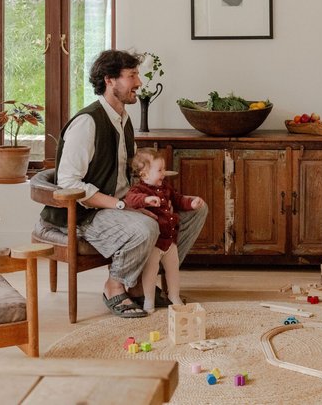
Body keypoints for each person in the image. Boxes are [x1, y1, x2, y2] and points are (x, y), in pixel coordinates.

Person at [39, 49, 209, 318]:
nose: (139, 83)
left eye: (137, 75)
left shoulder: (123, 120)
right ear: (109, 80)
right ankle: (114, 284)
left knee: (195, 211)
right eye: (132, 76)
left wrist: (147, 190)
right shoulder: (87, 123)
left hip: (122, 203)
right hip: (85, 213)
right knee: (146, 226)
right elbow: (69, 183)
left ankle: (143, 281)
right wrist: (120, 205)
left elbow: (128, 172)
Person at [124, 148, 205, 313]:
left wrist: (191, 203)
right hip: (155, 242)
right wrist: (146, 200)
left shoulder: (166, 188)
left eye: (164, 169)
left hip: (170, 240)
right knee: (150, 271)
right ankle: (148, 300)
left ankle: (174, 296)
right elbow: (130, 200)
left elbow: (179, 199)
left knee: (173, 269)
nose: (163, 173)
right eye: (159, 170)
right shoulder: (139, 190)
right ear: (145, 174)